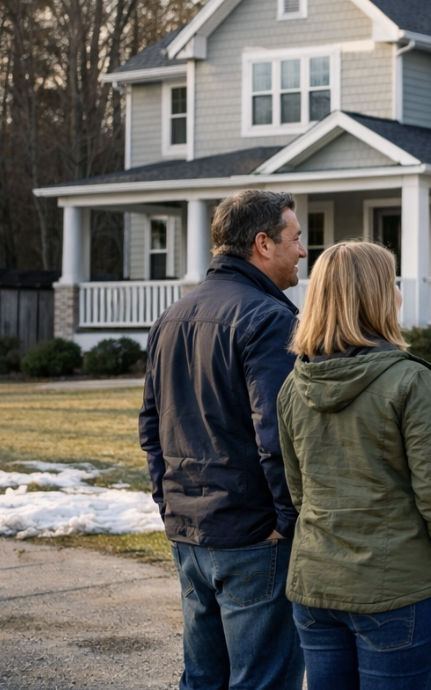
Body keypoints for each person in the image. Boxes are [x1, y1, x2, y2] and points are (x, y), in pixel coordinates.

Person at [277, 240, 431, 690]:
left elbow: (299, 493)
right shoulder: (409, 380)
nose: (400, 294)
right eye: (392, 283)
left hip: (317, 588)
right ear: (373, 297)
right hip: (397, 594)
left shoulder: (294, 385)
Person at [139, 189, 307, 690]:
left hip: (189, 531)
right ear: (263, 244)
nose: (303, 251)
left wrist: (167, 501)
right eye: (296, 238)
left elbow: (150, 426)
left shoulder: (171, 315)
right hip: (254, 537)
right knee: (264, 680)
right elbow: (277, 435)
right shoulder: (269, 319)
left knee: (204, 677)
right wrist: (287, 520)